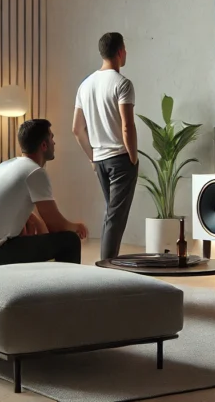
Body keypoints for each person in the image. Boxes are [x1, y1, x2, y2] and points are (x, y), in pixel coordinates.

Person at [0, 119, 88, 265]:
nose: (54, 143)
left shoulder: (7, 165)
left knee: (32, 233)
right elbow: (56, 225)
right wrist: (77, 227)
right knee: (69, 240)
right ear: (44, 145)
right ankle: (69, 287)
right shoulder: (35, 172)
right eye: (52, 138)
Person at [71, 32, 138, 260]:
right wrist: (133, 157)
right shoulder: (123, 84)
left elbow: (77, 129)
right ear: (120, 52)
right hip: (120, 158)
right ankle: (106, 267)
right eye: (125, 49)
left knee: (111, 214)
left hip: (100, 159)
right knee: (115, 217)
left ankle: (108, 264)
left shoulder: (85, 85)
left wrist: (92, 157)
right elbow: (127, 126)